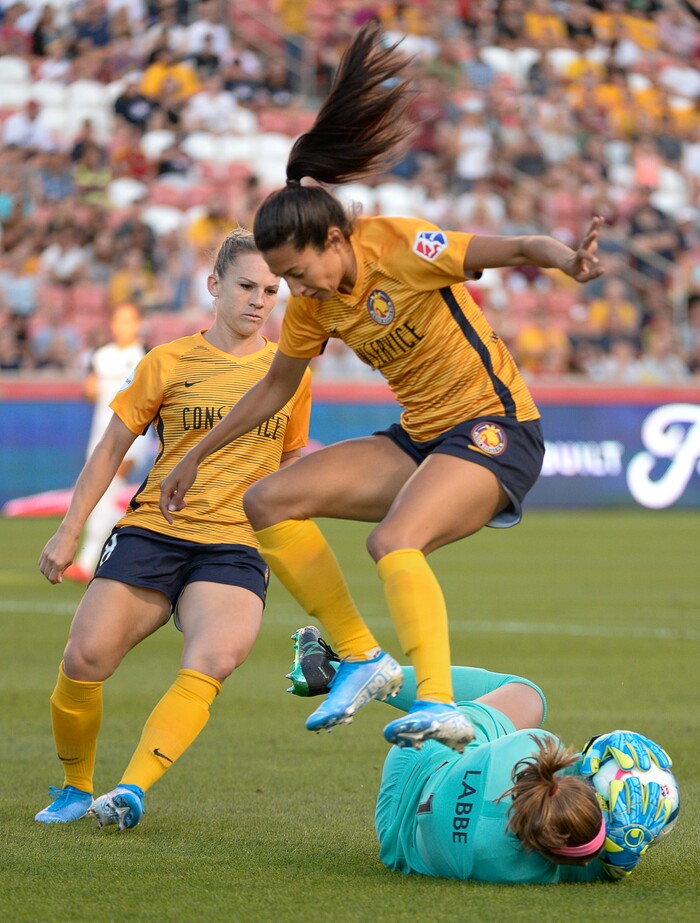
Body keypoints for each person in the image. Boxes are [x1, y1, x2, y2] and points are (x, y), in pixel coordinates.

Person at [158, 21, 605, 754]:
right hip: (423, 435)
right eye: (283, 281)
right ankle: (363, 657)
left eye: (298, 273)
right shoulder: (314, 302)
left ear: (335, 240)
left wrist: (567, 260)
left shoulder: (401, 245)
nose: (293, 292)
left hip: (497, 428)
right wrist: (194, 455)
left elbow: (520, 246)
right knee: (269, 499)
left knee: (395, 538)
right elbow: (275, 386)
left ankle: (438, 701)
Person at [34, 229, 312, 829]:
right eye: (246, 286)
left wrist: (294, 534)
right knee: (85, 658)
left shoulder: (290, 372)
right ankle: (74, 786)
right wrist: (68, 529)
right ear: (214, 286)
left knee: (215, 656)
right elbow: (111, 448)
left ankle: (130, 790)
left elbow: (291, 461)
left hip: (234, 546)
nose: (259, 300)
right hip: (154, 533)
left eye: (271, 289)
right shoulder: (167, 362)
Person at [287, 625, 675, 884]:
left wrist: (605, 751)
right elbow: (604, 861)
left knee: (526, 694)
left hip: (425, 761)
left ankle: (343, 674)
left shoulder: (524, 750)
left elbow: (571, 769)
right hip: (397, 842)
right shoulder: (543, 870)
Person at [64, 303, 151, 584]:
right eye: (118, 320)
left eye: (128, 320)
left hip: (134, 437)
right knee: (105, 495)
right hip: (101, 436)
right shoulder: (101, 356)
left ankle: (87, 562)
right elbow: (90, 391)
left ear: (137, 324)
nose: (122, 326)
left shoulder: (146, 356)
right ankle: (130, 547)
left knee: (109, 489)